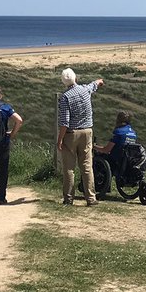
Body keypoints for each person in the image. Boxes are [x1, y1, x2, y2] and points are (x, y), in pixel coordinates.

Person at [56, 68, 104, 206]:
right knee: (87, 166)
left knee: (69, 168)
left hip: (71, 134)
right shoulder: (84, 89)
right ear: (75, 78)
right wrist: (99, 81)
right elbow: (93, 85)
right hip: (87, 132)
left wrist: (60, 140)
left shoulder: (65, 97)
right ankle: (90, 197)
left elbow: (64, 122)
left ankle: (69, 198)